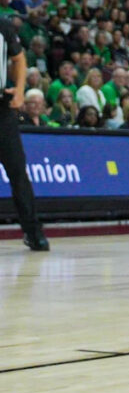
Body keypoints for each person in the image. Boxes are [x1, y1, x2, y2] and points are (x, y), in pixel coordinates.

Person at [0, 16, 49, 249]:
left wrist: (20, 91)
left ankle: (33, 231)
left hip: (2, 109)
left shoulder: (2, 24)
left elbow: (19, 59)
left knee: (18, 171)